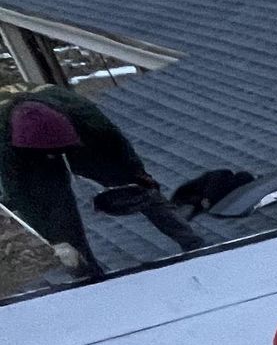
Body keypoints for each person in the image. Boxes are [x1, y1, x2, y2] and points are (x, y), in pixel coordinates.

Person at [0, 85, 199, 280]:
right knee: (57, 211)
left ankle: (192, 242)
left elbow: (117, 145)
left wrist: (138, 173)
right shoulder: (5, 146)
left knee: (136, 185)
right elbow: (21, 195)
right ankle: (85, 273)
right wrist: (53, 239)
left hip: (75, 139)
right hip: (28, 155)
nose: (55, 155)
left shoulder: (85, 116)